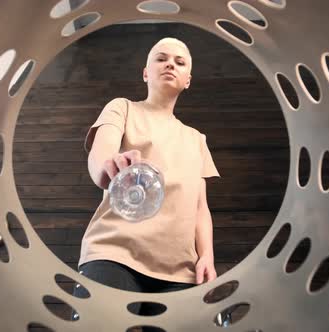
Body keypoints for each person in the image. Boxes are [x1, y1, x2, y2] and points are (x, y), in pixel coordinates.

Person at [73, 37, 220, 321]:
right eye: (161, 58)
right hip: (114, 254)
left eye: (179, 62)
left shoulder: (196, 139)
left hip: (180, 270)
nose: (170, 64)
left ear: (188, 79)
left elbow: (200, 206)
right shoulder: (123, 108)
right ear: (145, 72)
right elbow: (99, 159)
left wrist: (207, 257)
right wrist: (108, 165)